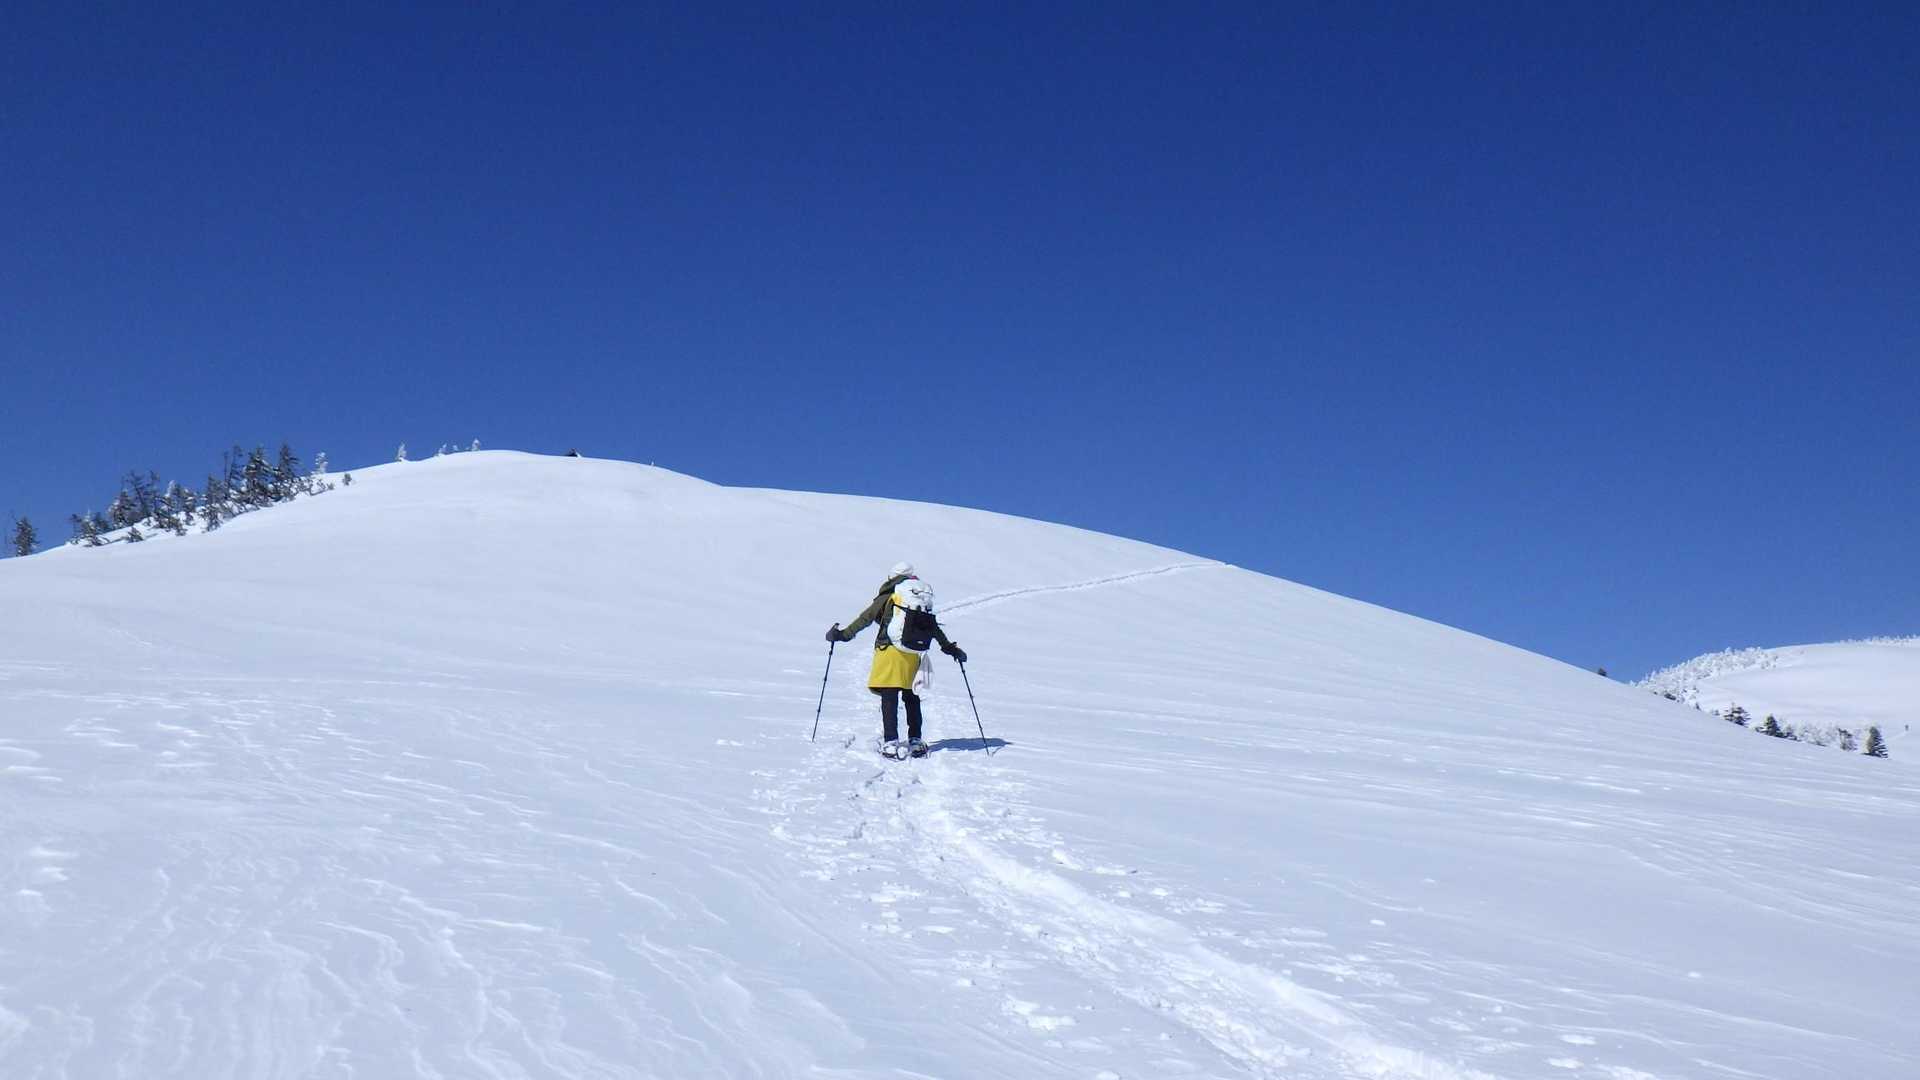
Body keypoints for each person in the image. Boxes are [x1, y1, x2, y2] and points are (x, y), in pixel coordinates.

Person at [826, 562, 967, 758]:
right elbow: (932, 627)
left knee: (890, 697)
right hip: (913, 653)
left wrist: (843, 635)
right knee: (912, 697)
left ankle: (891, 742)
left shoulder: (892, 594)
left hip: (890, 651)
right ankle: (916, 740)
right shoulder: (919, 597)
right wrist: (950, 648)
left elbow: (866, 618)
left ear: (892, 577)